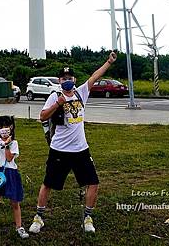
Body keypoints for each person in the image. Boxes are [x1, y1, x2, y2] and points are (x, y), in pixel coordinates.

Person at [29, 51, 117, 235]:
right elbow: (42, 116)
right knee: (48, 183)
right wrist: (57, 104)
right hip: (59, 149)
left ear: (74, 79)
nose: (67, 80)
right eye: (63, 78)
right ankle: (39, 217)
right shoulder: (54, 96)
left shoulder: (81, 92)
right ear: (59, 80)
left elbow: (95, 76)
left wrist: (108, 62)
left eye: (69, 77)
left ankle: (87, 217)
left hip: (80, 150)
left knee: (93, 183)